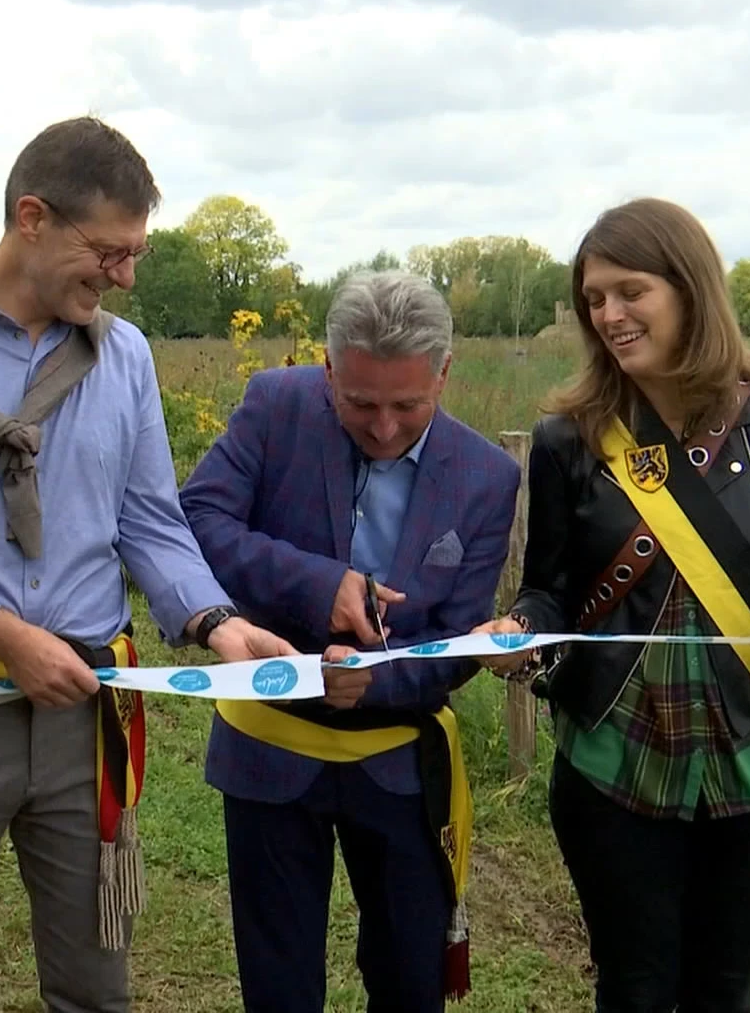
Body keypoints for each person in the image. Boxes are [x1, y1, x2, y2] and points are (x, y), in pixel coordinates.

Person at [0, 115, 304, 1013]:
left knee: (95, 986)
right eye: (108, 252)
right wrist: (7, 641)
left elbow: (151, 521)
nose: (122, 278)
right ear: (30, 218)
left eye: (134, 257)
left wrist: (215, 621)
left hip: (89, 720)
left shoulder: (123, 357)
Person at [475, 197, 750, 1012]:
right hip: (611, 759)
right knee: (634, 990)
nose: (609, 314)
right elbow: (549, 589)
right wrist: (521, 630)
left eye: (630, 290)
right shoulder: (570, 439)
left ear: (690, 289)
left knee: (725, 991)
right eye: (594, 298)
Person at [177, 270, 523, 1013]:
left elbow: (456, 643)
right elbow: (197, 521)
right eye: (360, 403)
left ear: (445, 373)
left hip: (399, 765)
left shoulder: (488, 478)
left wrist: (380, 682)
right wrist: (318, 583)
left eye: (410, 404)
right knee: (279, 986)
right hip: (268, 750)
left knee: (409, 980)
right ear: (327, 368)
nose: (386, 427)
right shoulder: (274, 406)